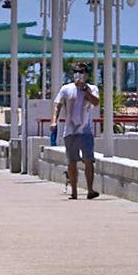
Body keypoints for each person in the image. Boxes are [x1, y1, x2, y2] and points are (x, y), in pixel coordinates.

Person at [52, 62, 100, 200]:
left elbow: (96, 102)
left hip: (86, 130)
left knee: (88, 160)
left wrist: (84, 89)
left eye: (82, 71)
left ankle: (90, 190)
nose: (78, 74)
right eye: (76, 71)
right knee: (72, 161)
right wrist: (54, 121)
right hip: (70, 130)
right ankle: (74, 191)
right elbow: (58, 105)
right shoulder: (66, 89)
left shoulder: (92, 88)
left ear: (86, 74)